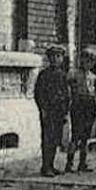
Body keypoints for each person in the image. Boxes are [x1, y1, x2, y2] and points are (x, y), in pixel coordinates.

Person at [34, 45, 70, 177]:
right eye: (53, 56)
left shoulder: (62, 75)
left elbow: (67, 94)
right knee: (48, 138)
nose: (55, 59)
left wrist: (66, 110)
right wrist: (42, 109)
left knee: (56, 139)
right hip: (48, 111)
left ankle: (51, 164)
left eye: (58, 56)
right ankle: (45, 166)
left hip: (59, 111)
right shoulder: (44, 75)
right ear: (49, 58)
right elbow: (39, 93)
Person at [65, 48, 96, 172]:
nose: (88, 63)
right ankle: (69, 164)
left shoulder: (93, 77)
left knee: (86, 136)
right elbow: (68, 89)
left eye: (91, 61)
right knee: (75, 136)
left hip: (90, 105)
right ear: (81, 60)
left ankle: (82, 163)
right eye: (86, 60)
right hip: (78, 105)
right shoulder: (73, 74)